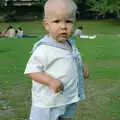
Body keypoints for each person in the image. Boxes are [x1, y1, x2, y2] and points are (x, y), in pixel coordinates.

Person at [24, 0, 88, 120]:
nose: (63, 26)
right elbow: (31, 71)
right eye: (57, 21)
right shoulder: (44, 48)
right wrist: (50, 81)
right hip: (48, 103)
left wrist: (81, 67)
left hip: (67, 98)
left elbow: (72, 59)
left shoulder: (70, 44)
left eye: (68, 21)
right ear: (47, 24)